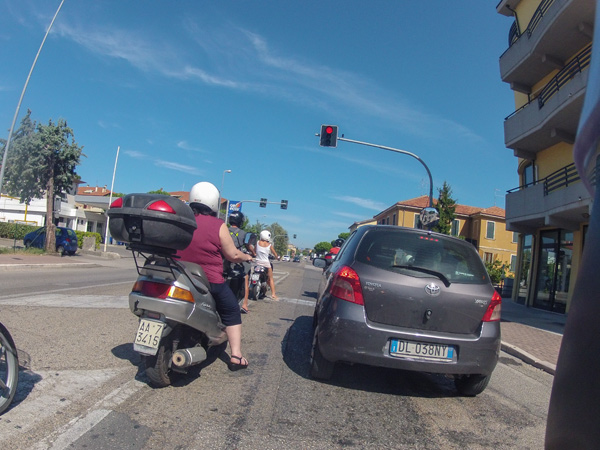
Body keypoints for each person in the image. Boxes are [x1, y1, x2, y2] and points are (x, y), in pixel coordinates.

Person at [177, 182, 253, 371]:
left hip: (178, 274)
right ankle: (236, 356)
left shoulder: (181, 219)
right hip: (208, 280)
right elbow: (232, 254)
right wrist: (246, 257)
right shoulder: (218, 225)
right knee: (232, 310)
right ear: (213, 203)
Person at [227, 210, 255, 314]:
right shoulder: (243, 233)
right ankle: (245, 305)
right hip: (236, 259)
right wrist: (253, 253)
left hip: (224, 259)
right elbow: (248, 245)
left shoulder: (224, 230)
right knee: (246, 278)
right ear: (240, 221)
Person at [255, 229, 279, 300]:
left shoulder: (257, 242)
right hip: (266, 263)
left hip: (258, 262)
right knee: (271, 278)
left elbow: (254, 250)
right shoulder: (269, 245)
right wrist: (277, 257)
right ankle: (273, 294)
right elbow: (275, 253)